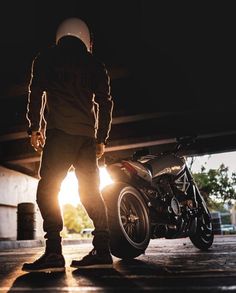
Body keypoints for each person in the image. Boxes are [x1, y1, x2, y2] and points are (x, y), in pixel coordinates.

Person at [22, 17, 114, 272]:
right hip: (86, 139)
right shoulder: (95, 64)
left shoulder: (46, 57)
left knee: (48, 190)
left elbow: (36, 92)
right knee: (90, 192)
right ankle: (103, 250)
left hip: (60, 134)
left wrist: (34, 127)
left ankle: (53, 252)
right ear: (86, 38)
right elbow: (105, 103)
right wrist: (101, 139)